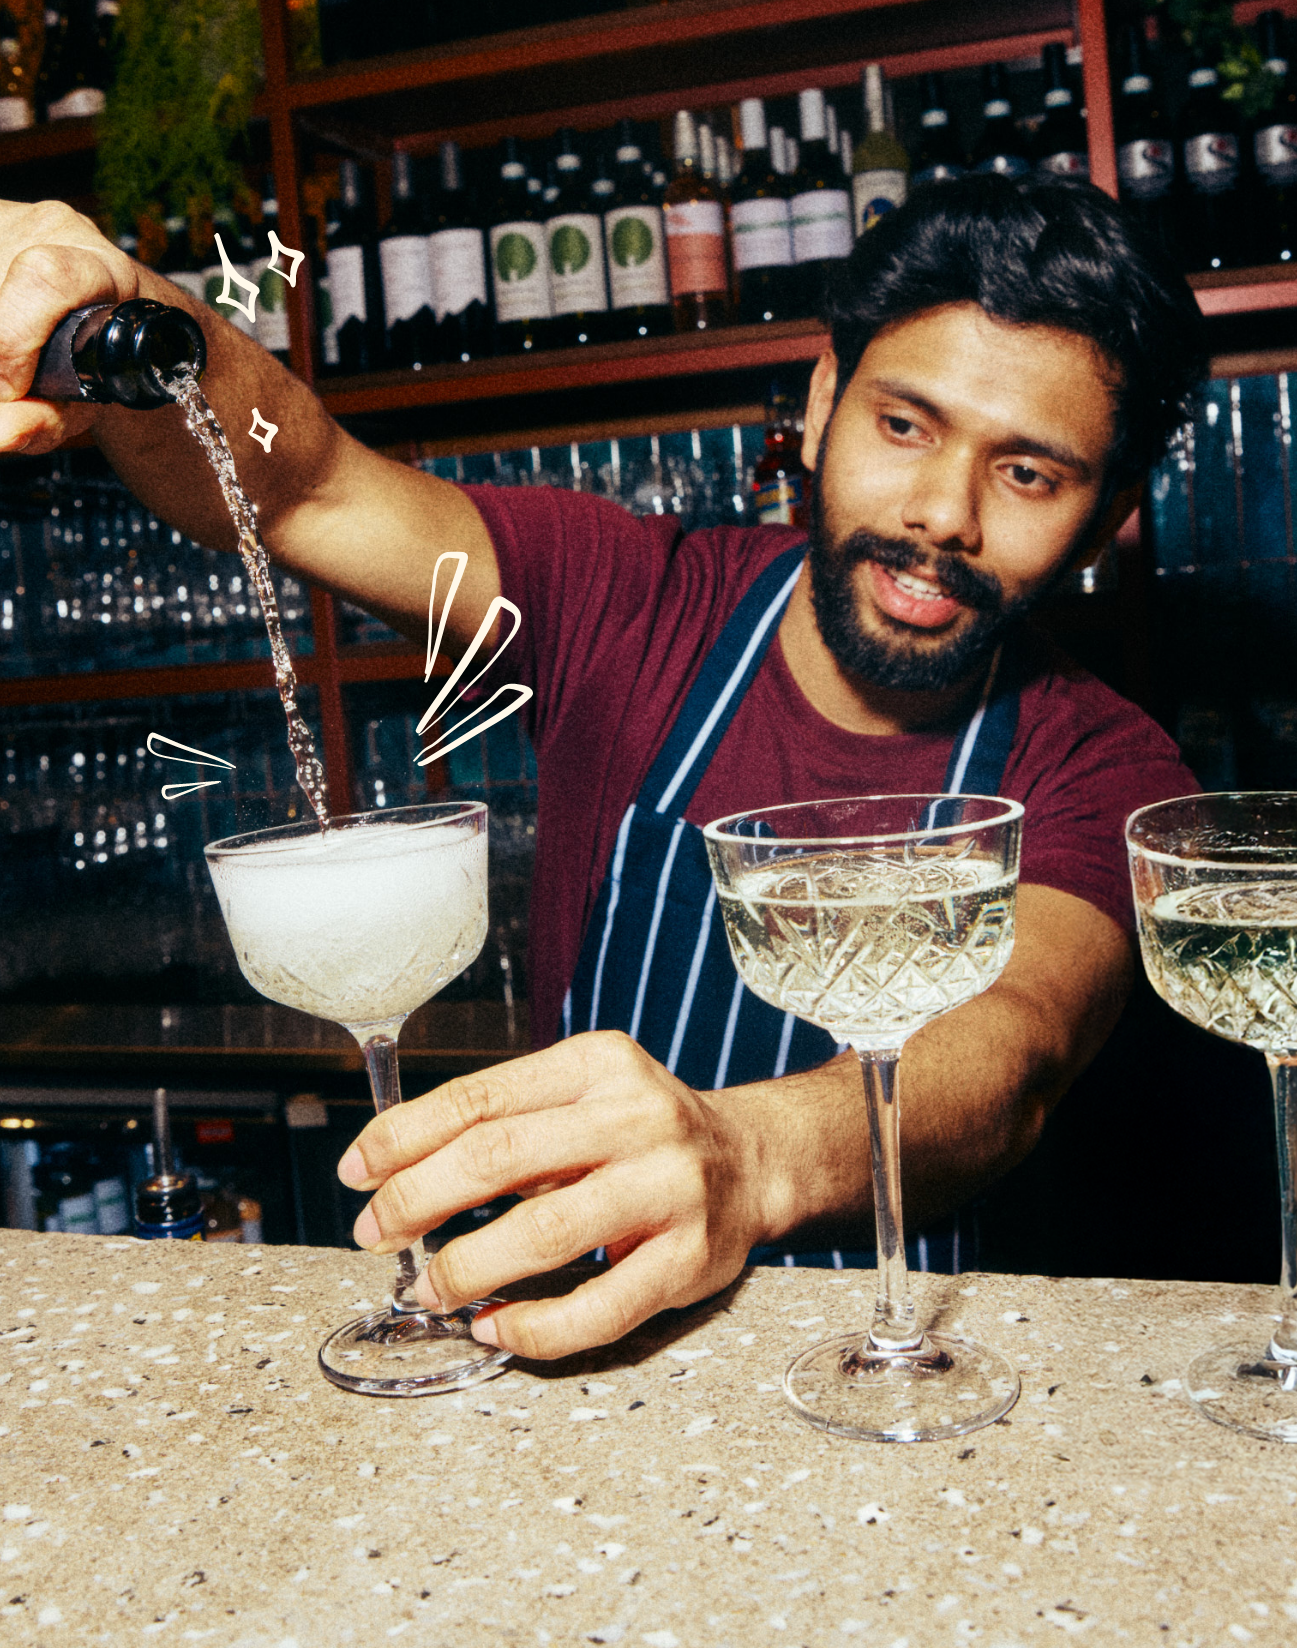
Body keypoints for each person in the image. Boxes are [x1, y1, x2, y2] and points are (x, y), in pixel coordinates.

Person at [0, 175, 1207, 1357]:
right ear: (825, 396)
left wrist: (749, 1158)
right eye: (905, 425)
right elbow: (302, 479)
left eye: (1030, 473)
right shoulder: (626, 601)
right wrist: (134, 305)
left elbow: (1014, 1049)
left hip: (904, 1374)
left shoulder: (1104, 761)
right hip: (581, 1346)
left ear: (1108, 521)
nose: (946, 512)